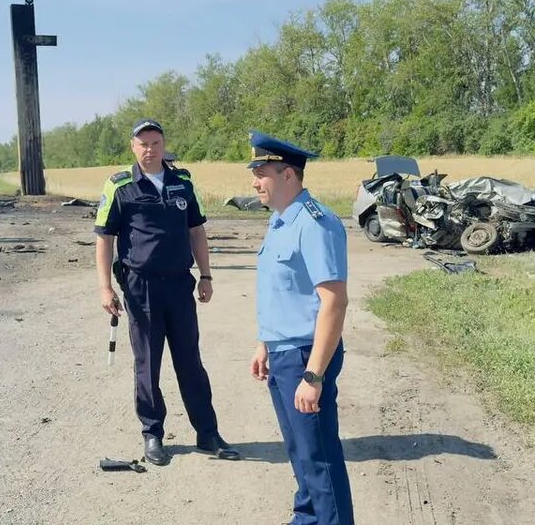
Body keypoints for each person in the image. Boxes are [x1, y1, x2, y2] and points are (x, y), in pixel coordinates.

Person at [94, 118, 239, 465]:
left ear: (163, 144)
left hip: (178, 285)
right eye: (143, 143)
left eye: (155, 143)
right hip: (140, 288)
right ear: (133, 146)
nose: (149, 149)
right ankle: (152, 434)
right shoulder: (120, 186)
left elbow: (197, 231)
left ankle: (208, 433)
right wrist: (105, 287)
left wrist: (206, 275)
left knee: (190, 361)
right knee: (148, 365)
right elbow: (104, 238)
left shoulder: (183, 182)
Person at [246, 130, 353, 525]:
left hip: (307, 356)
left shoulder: (315, 223)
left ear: (288, 175)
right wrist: (265, 343)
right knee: (300, 452)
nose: (255, 181)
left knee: (320, 457)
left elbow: (334, 301)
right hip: (282, 352)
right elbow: (282, 293)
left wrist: (314, 374)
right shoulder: (280, 222)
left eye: (262, 172)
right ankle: (307, 519)